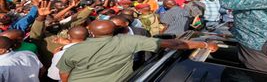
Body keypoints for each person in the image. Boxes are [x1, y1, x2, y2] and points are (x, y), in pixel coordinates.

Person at [57, 20, 218, 82]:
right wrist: (205, 45)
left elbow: (64, 76)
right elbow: (174, 44)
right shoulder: (129, 41)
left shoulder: (73, 49)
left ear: (90, 33)